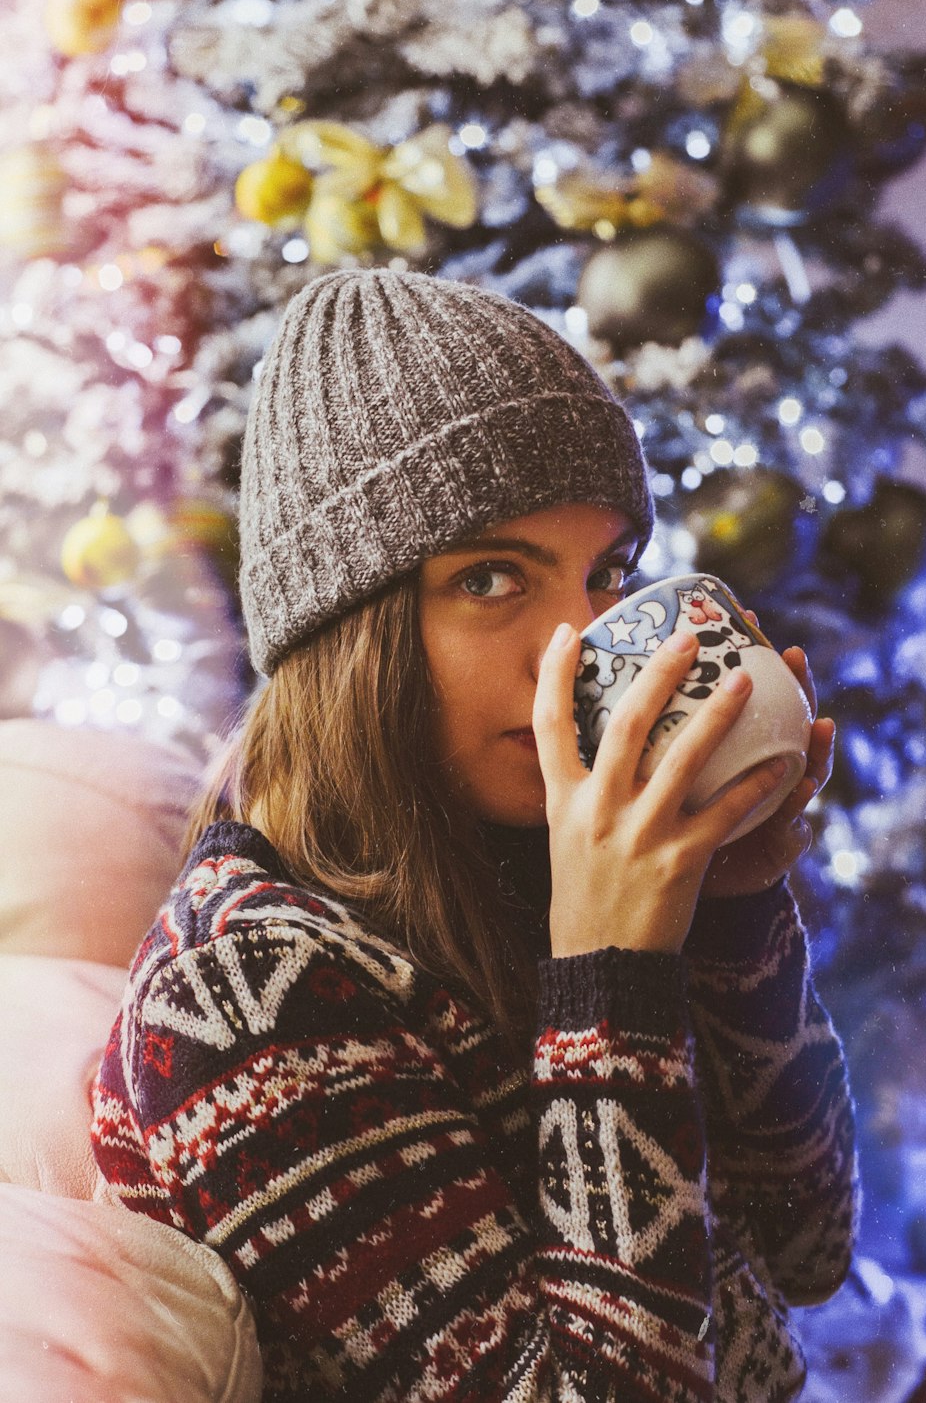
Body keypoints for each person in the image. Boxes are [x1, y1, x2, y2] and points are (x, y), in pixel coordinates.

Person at [91, 269, 858, 1403]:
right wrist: (610, 977)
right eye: (492, 578)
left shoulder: (540, 862)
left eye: (607, 574)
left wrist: (737, 913)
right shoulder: (244, 998)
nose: (583, 649)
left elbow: (807, 1253)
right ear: (354, 635)